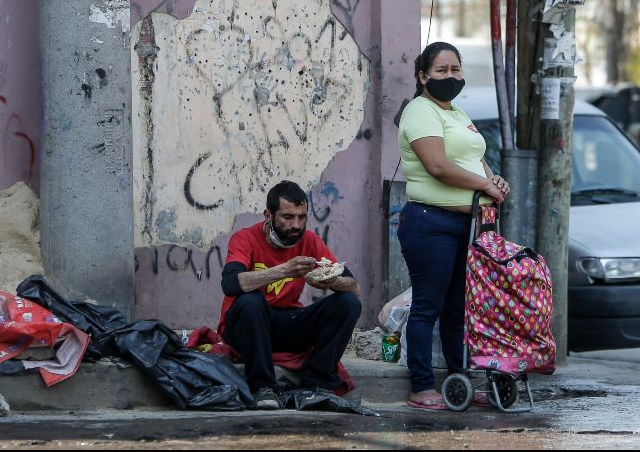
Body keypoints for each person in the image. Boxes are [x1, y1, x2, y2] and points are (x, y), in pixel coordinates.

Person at [396, 41, 510, 410]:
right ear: (422, 76)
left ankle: (459, 379)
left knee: (459, 309)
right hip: (431, 223)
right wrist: (483, 185)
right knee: (428, 306)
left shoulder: (458, 113)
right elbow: (438, 166)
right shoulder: (420, 111)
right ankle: (421, 386)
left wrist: (496, 182)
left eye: (455, 69)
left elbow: (477, 161)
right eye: (441, 70)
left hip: (470, 226)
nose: (450, 76)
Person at [218, 180, 362, 410]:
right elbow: (231, 284)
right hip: (247, 326)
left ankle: (316, 383)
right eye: (287, 217)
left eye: (302, 217)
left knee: (348, 303)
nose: (296, 225)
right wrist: (284, 270)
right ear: (269, 214)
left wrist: (332, 281)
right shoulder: (245, 238)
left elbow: (354, 288)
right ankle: (262, 386)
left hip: (287, 322)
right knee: (250, 301)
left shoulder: (310, 240)